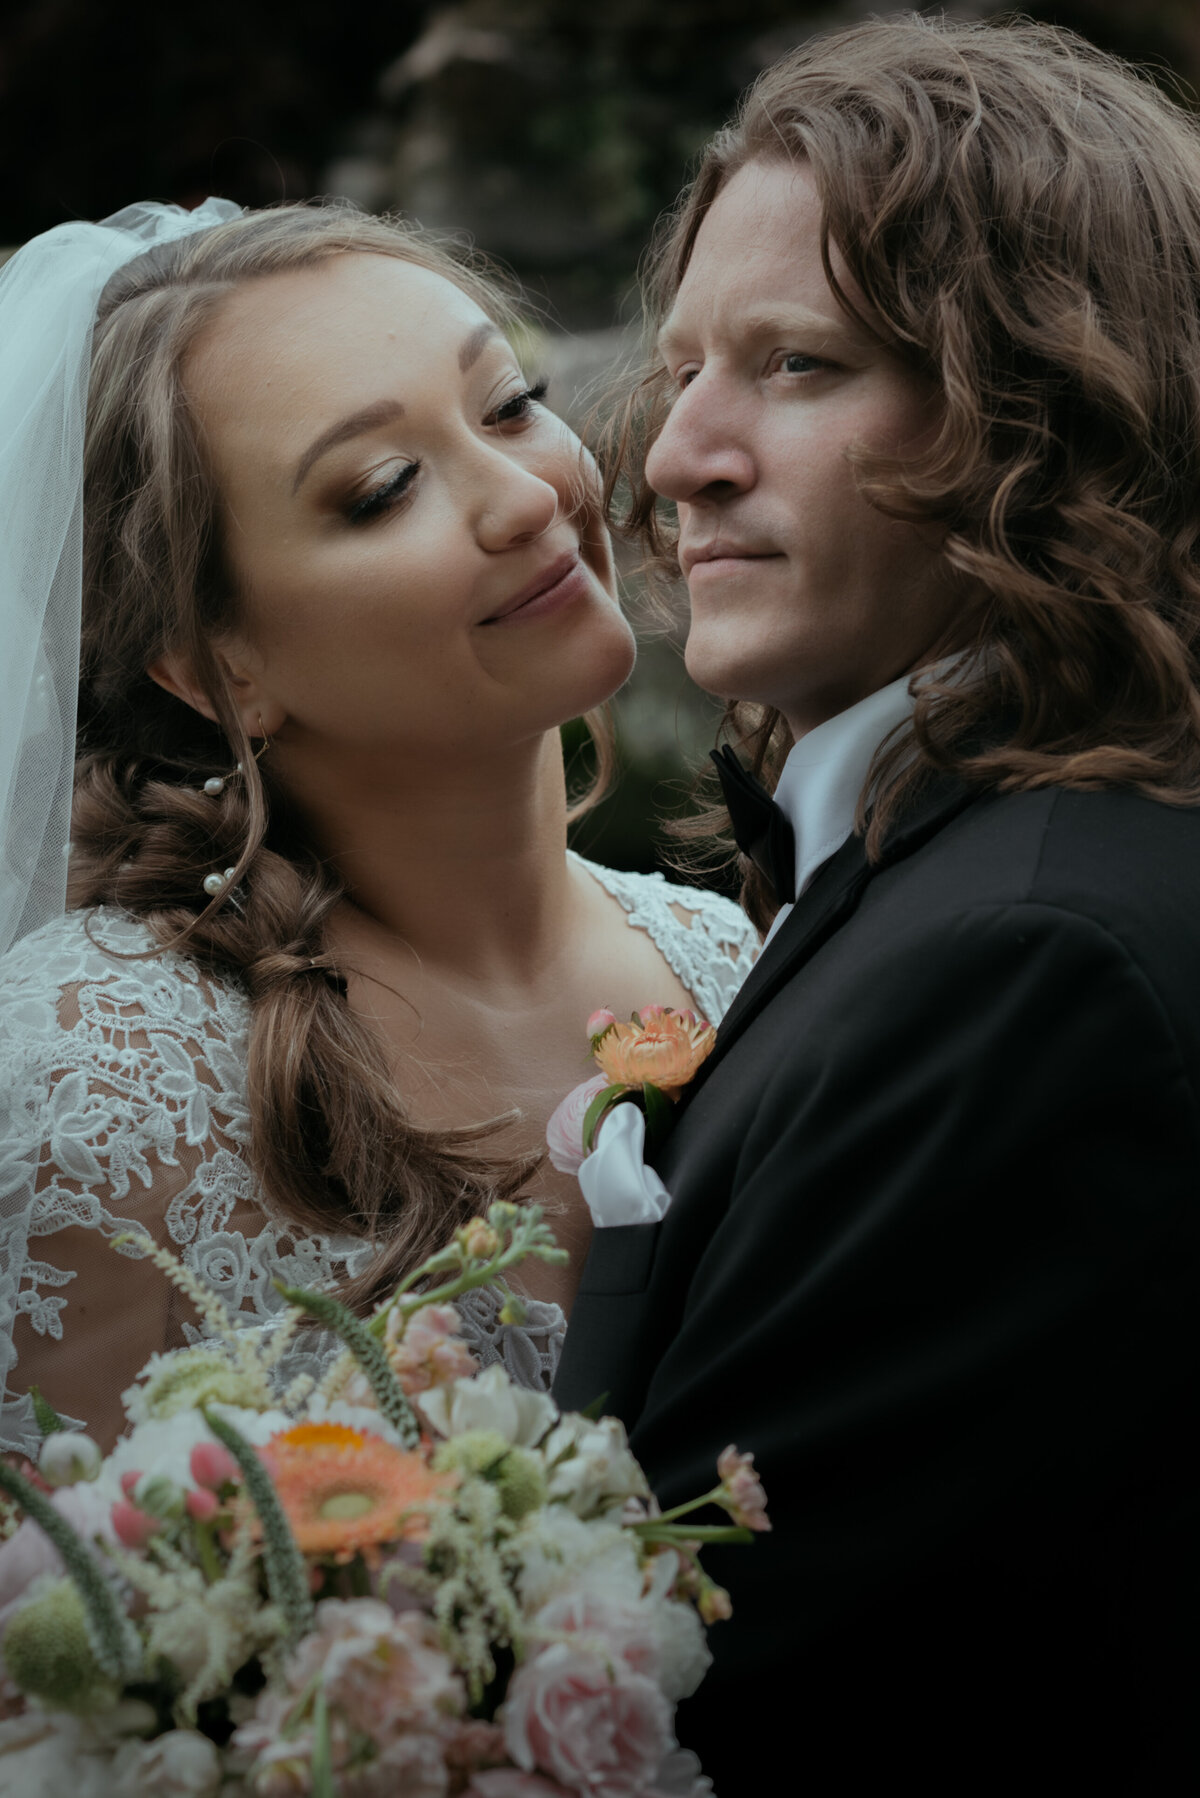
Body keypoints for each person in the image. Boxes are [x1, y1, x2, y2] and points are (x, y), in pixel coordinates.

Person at [554, 15, 1200, 1790]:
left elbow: (757, 1704)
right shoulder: (950, 869)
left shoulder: (1029, 963)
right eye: (684, 369)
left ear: (1050, 409)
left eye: (798, 365)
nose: (677, 455)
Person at [0, 200, 759, 1456]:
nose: (527, 496)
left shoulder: (731, 955)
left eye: (510, 404)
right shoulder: (94, 1087)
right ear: (214, 667)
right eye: (384, 486)